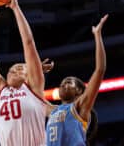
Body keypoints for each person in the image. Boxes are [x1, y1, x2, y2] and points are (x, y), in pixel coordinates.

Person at [0, 0, 48, 146]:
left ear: (29, 74)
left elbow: (29, 43)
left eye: (20, 68)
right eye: (11, 69)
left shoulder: (34, 87)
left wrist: (15, 8)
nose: (14, 70)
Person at [46, 14, 108, 146]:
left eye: (69, 82)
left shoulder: (80, 107)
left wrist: (97, 35)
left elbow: (100, 70)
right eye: (63, 83)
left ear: (79, 91)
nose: (64, 84)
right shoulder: (53, 110)